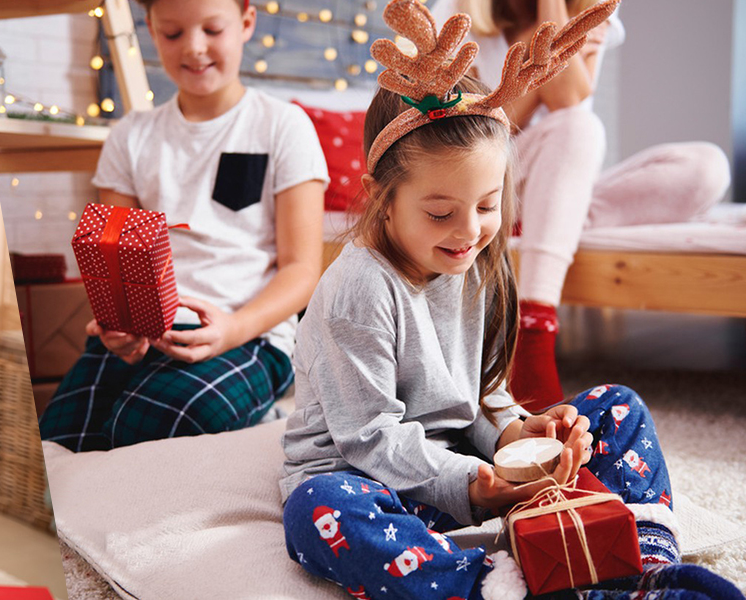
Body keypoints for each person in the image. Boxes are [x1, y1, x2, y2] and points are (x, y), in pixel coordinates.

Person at [280, 3, 742, 597]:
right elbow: (368, 437)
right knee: (319, 509)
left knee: (618, 408)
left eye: (488, 206)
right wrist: (476, 482)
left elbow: (482, 393)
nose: (469, 231)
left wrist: (515, 434)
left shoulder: (477, 263)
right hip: (372, 475)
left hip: (471, 476)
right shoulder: (357, 290)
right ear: (381, 199)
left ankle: (634, 563)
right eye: (441, 212)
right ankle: (498, 585)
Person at [39, 0, 328, 452]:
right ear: (151, 30)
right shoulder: (130, 137)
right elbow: (115, 257)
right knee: (60, 440)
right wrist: (122, 327)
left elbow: (302, 271)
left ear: (246, 22)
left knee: (140, 427)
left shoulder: (282, 126)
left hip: (248, 334)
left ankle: (261, 409)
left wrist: (231, 330)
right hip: (148, 329)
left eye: (213, 30)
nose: (194, 49)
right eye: (173, 34)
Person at [431, 0, 732, 410]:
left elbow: (567, 95)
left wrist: (551, 9)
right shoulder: (454, 14)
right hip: (486, 176)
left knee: (706, 167)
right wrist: (542, 64)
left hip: (559, 179)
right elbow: (483, 132)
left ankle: (548, 218)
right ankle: (534, 332)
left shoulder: (593, 11)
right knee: (579, 126)